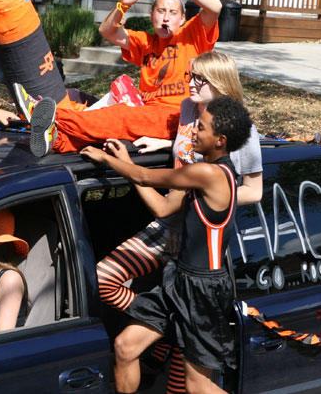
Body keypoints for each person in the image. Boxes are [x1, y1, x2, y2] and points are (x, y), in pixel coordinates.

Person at [96, 51, 263, 392]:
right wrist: (164, 144)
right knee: (125, 346)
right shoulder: (192, 122)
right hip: (180, 275)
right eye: (191, 75)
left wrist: (107, 158)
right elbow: (164, 200)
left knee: (194, 387)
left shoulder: (215, 167)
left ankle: (173, 336)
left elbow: (146, 176)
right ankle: (169, 334)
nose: (191, 84)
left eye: (200, 78)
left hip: (203, 284)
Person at [19, 0, 221, 156]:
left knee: (120, 116)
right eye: (161, 11)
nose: (166, 18)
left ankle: (45, 116)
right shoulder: (145, 42)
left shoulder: (192, 36)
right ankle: (57, 140)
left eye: (172, 12)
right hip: (145, 110)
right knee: (105, 119)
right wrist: (123, 6)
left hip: (175, 115)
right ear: (151, 16)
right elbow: (107, 31)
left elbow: (215, 7)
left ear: (183, 18)